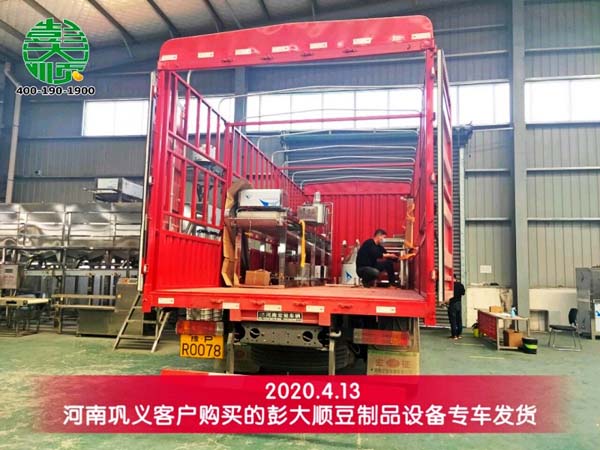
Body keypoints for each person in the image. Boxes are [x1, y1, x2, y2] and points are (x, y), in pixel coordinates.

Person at [447, 275, 465, 340]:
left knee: (453, 320)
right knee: (459, 319)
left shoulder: (449, 285)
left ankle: (454, 335)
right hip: (459, 303)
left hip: (452, 304)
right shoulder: (460, 285)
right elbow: (463, 293)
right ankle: (459, 334)